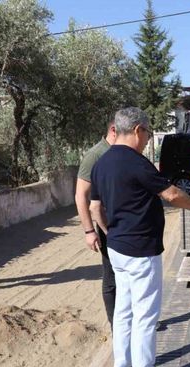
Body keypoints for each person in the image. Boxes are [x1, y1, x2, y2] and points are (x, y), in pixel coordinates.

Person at [90, 107, 190, 367]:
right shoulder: (135, 162)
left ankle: (122, 365)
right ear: (136, 130)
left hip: (118, 250)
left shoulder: (101, 163)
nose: (147, 140)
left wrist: (111, 232)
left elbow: (95, 208)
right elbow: (171, 194)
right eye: (147, 133)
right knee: (145, 316)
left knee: (123, 310)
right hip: (141, 251)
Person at [74, 122, 117, 326]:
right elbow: (81, 195)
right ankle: (115, 324)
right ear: (113, 129)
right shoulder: (95, 155)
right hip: (106, 225)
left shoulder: (120, 151)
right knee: (111, 276)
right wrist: (89, 231)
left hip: (122, 224)